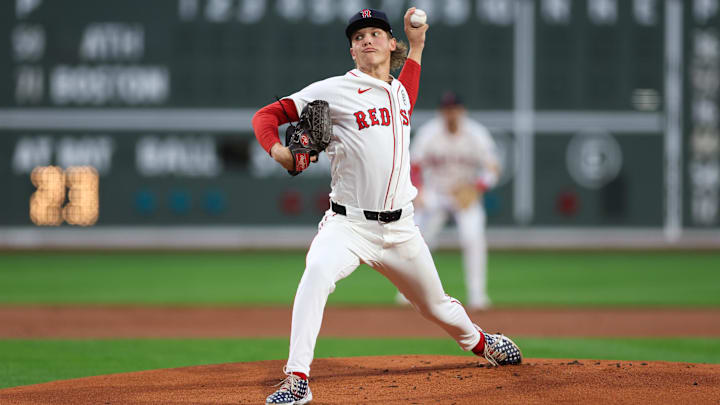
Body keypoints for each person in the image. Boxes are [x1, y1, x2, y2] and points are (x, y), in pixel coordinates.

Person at [252, 8, 521, 405]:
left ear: (390, 44)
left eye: (376, 33)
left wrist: (418, 45)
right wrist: (279, 151)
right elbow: (267, 115)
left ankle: (481, 342)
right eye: (359, 37)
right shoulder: (332, 90)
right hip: (348, 226)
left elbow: (408, 91)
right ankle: (296, 378)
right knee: (316, 275)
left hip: (402, 230)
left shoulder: (398, 92)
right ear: (352, 51)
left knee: (436, 306)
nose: (367, 40)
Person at [397, 92, 501, 310]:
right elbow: (414, 166)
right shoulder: (429, 133)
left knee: (473, 238)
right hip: (436, 193)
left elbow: (493, 168)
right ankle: (407, 292)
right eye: (447, 109)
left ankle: (477, 295)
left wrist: (477, 188)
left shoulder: (476, 134)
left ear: (462, 111)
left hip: (464, 194)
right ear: (441, 112)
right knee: (417, 240)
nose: (451, 113)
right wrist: (420, 192)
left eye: (454, 109)